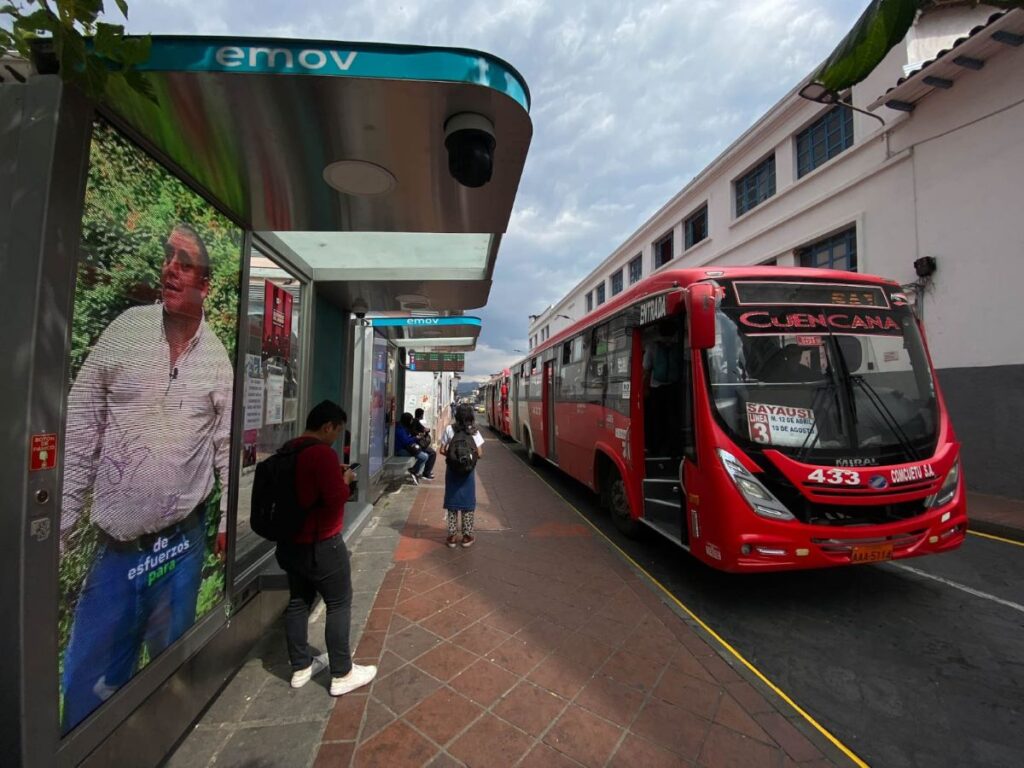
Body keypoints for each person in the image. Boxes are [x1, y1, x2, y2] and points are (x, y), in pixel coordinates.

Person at [60, 223, 233, 731]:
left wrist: (228, 518)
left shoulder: (217, 359)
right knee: (84, 692)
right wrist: (60, 527)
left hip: (181, 546)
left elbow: (227, 447)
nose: (170, 268)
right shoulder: (126, 331)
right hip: (116, 552)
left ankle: (162, 736)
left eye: (185, 263)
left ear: (205, 285)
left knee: (172, 668)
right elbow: (81, 429)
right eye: (168, 257)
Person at [274, 401, 377, 696]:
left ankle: (300, 666)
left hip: (290, 544)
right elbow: (335, 498)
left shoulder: (289, 449)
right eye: (337, 431)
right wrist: (345, 480)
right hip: (322, 544)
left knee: (298, 601)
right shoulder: (321, 454)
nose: (336, 438)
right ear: (327, 426)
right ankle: (343, 673)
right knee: (339, 602)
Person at [439, 404, 486, 548]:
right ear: (470, 416)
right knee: (468, 502)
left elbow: (442, 450)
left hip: (452, 471)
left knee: (452, 502)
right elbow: (480, 454)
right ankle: (467, 536)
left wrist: (454, 458)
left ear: (457, 415)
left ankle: (452, 536)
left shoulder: (449, 429)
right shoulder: (474, 431)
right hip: (468, 473)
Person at [642, 320, 682, 455]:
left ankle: (655, 448)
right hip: (673, 387)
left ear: (659, 330)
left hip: (656, 388)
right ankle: (672, 448)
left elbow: (646, 369)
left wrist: (645, 389)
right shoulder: (678, 345)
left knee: (656, 419)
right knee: (673, 418)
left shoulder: (652, 346)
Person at [396, 411, 436, 483]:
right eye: (410, 420)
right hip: (402, 449)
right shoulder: (400, 429)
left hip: (409, 447)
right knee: (424, 456)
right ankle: (414, 471)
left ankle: (416, 471)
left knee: (426, 455)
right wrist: (416, 438)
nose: (411, 422)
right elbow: (406, 441)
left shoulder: (405, 427)